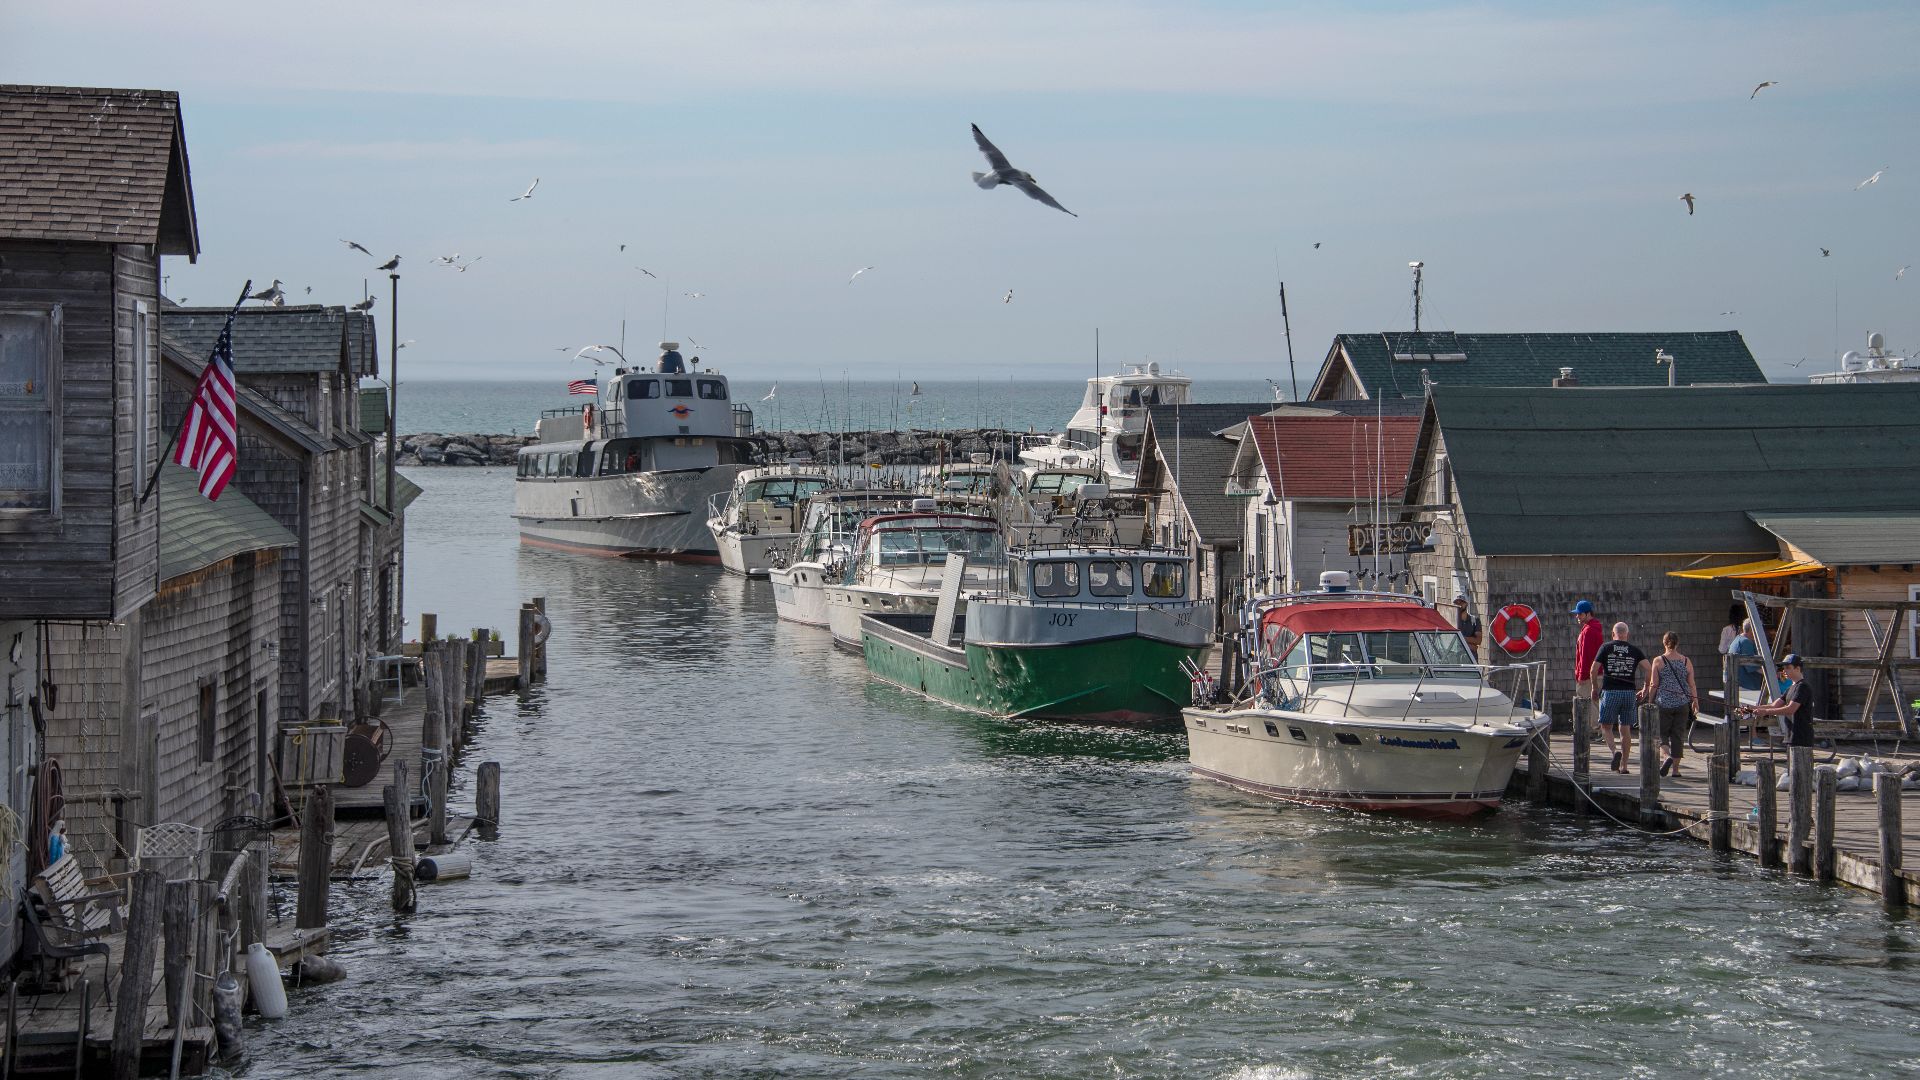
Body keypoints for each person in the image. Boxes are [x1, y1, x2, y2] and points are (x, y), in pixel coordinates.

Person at [1588, 621, 1647, 772]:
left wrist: (1595, 687)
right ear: (1627, 634)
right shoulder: (1634, 650)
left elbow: (1593, 670)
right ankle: (1624, 766)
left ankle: (1615, 752)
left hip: (1610, 692)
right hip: (1629, 693)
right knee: (1625, 729)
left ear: (1613, 634)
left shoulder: (1606, 647)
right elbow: (1649, 668)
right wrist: (1646, 688)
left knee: (1606, 727)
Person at [1648, 632, 1699, 778]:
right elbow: (1692, 684)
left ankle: (1666, 756)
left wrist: (1650, 701)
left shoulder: (1658, 661)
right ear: (1677, 643)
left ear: (1664, 643)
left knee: (1661, 734)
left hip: (1664, 703)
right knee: (1678, 736)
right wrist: (1695, 701)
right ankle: (1676, 770)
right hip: (1682, 704)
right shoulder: (1686, 661)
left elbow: (1654, 684)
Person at [1742, 653, 1813, 748]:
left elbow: (1790, 709)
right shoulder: (1791, 687)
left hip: (1801, 737)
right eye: (1784, 668)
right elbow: (1774, 705)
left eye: (1788, 667)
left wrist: (1765, 712)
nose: (1784, 670)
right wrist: (1753, 708)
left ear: (1798, 669)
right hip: (1791, 736)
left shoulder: (1802, 687)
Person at [1571, 600, 1604, 727]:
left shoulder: (1588, 631)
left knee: (1586, 703)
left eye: (1579, 614)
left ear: (1588, 614)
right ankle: (1598, 729)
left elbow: (1586, 656)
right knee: (1595, 702)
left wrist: (1581, 676)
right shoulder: (1594, 628)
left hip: (1588, 676)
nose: (1577, 616)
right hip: (1597, 673)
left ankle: (1592, 730)